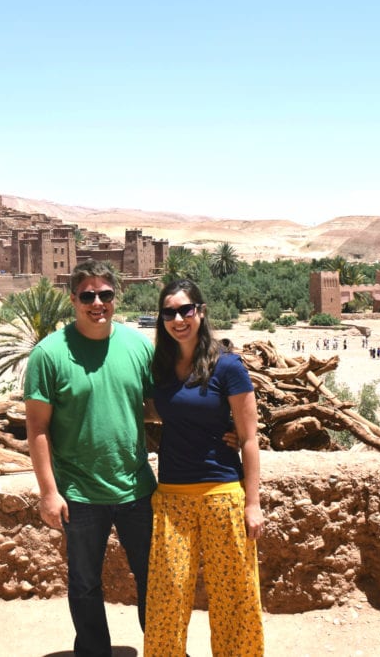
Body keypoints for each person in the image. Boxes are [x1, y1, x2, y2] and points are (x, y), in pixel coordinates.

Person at [24, 259, 156, 656]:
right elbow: (38, 428)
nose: (97, 303)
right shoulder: (48, 355)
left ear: (116, 297)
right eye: (88, 296)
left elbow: (154, 407)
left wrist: (219, 417)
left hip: (136, 487)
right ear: (73, 300)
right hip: (79, 493)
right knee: (84, 582)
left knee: (154, 576)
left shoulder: (137, 346)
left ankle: (163, 646)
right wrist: (49, 492)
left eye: (105, 294)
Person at [144, 278, 265, 657]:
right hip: (172, 500)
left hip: (222, 495)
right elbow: (152, 412)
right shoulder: (160, 369)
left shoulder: (228, 367)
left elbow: (248, 438)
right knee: (167, 601)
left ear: (201, 312)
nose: (178, 319)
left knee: (234, 600)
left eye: (186, 310)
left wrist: (253, 502)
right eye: (169, 312)